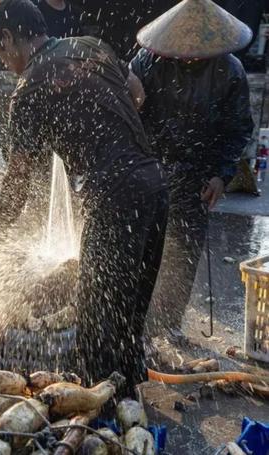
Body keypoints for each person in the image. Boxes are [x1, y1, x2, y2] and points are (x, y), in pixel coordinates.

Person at [0, 0, 169, 395]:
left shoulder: (29, 87)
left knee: (97, 319)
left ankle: (101, 417)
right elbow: (136, 92)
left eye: (1, 53)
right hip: (153, 185)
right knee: (129, 316)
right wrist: (102, 130)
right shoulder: (91, 45)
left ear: (7, 38)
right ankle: (131, 407)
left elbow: (18, 175)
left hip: (116, 195)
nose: (4, 63)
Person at [130, 0, 255, 339]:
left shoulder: (230, 71)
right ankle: (134, 323)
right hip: (151, 168)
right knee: (142, 250)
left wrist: (221, 174)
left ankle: (168, 326)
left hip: (198, 174)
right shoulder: (148, 61)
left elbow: (239, 128)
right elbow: (128, 110)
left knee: (183, 254)